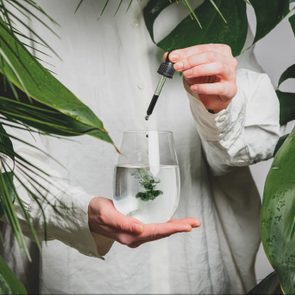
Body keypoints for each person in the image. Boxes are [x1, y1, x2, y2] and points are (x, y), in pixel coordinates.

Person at [11, 0, 280, 294]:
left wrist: (221, 108)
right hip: (81, 278)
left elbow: (260, 136)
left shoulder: (214, 7)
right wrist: (79, 214)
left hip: (208, 275)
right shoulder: (22, 10)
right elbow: (10, 165)